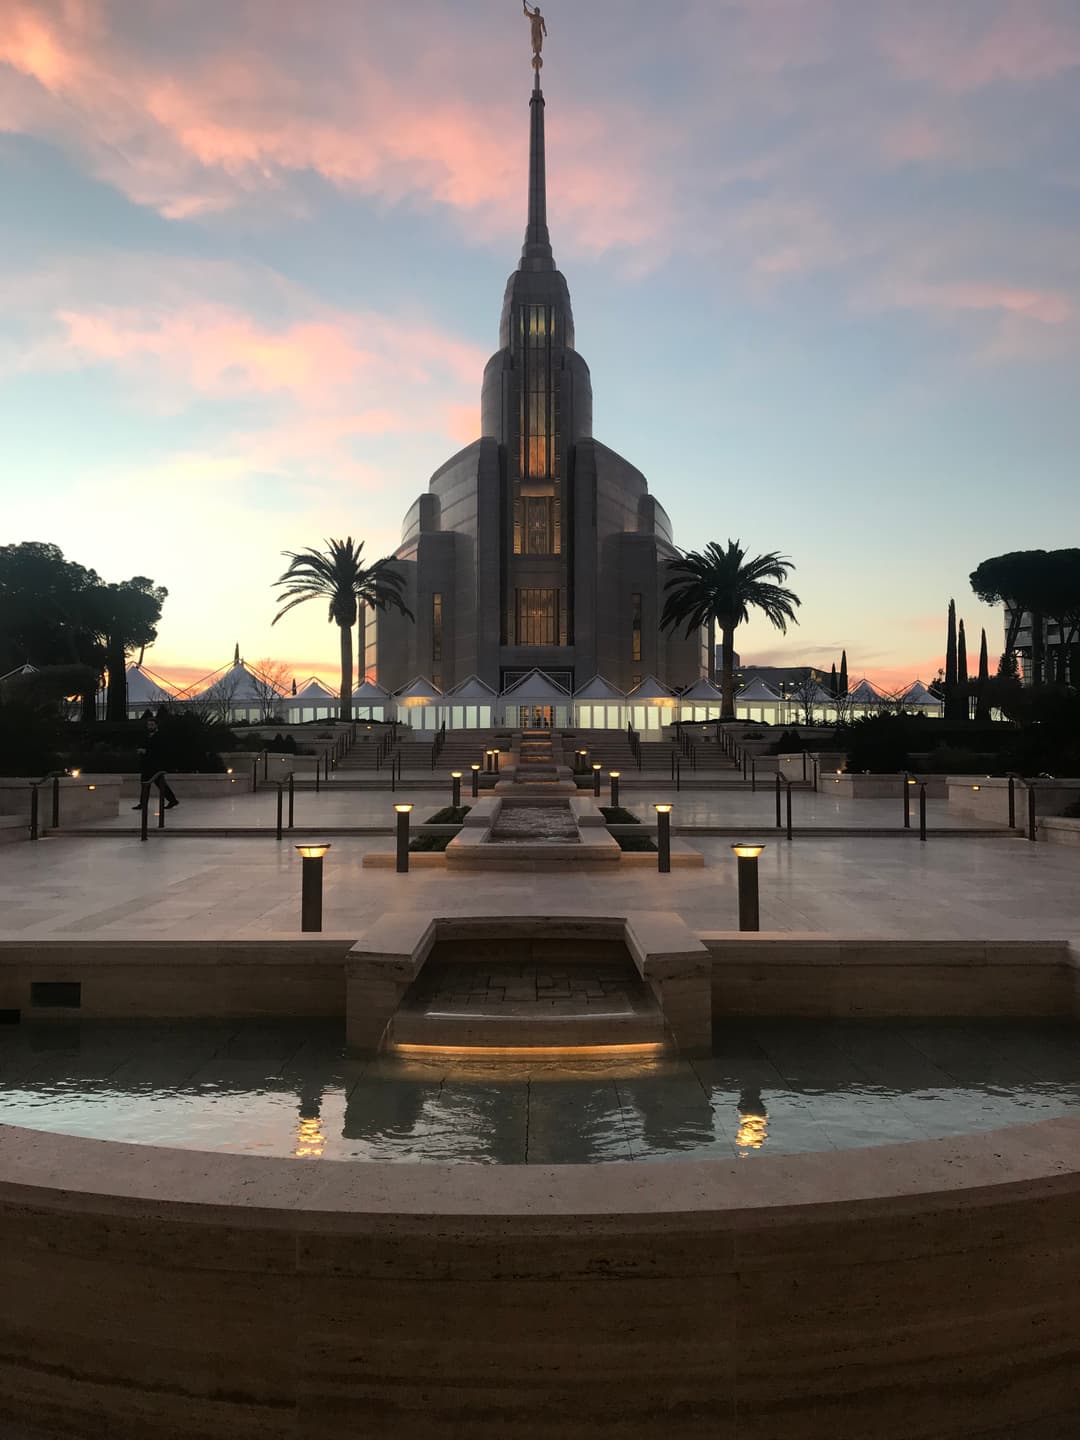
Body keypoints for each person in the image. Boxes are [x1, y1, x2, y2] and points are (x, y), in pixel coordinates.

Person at [132, 717, 179, 811]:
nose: (150, 727)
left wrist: (146, 751)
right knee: (145, 785)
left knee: (161, 785)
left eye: (152, 725)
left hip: (156, 766)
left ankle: (172, 800)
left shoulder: (160, 736)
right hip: (146, 765)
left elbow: (160, 750)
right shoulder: (146, 736)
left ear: (156, 725)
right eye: (148, 725)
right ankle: (143, 803)